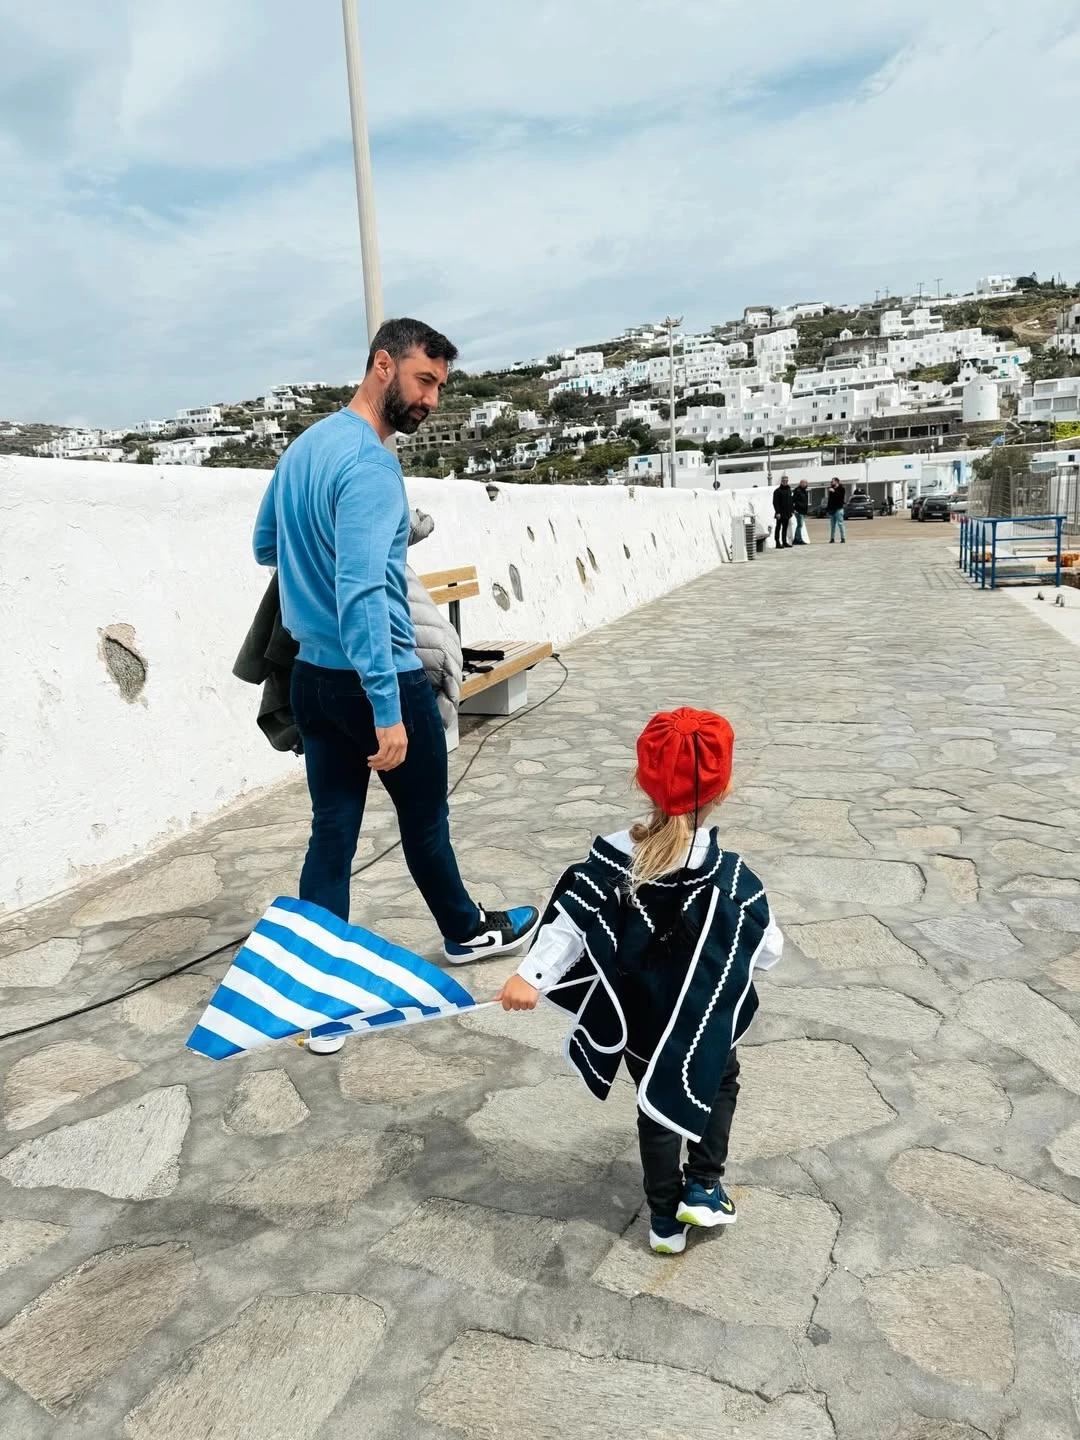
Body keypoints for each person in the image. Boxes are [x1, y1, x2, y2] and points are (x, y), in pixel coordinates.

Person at [253, 317, 540, 1054]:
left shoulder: (305, 448)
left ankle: (317, 996)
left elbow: (266, 546)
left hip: (312, 678)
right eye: (424, 380)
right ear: (383, 365)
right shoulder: (372, 466)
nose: (432, 400)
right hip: (377, 679)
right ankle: (466, 932)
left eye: (439, 386)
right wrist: (387, 706)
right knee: (423, 821)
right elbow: (359, 595)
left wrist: (350, 548)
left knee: (332, 830)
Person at [495, 709, 783, 1255]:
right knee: (719, 1082)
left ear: (642, 780)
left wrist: (528, 977)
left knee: (653, 1108)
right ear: (723, 790)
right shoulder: (733, 880)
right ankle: (704, 1184)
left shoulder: (610, 863)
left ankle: (663, 1222)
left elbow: (568, 925)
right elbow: (768, 950)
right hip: (704, 1024)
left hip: (639, 1022)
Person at [772, 475, 795, 549]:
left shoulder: (789, 490)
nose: (785, 482)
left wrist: (792, 511)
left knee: (785, 528)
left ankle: (784, 542)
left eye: (786, 481)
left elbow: (791, 501)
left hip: (787, 513)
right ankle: (777, 543)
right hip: (780, 513)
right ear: (781, 481)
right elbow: (775, 503)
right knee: (778, 528)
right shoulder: (777, 491)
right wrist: (777, 512)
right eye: (784, 481)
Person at [826, 477, 847, 543]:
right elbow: (829, 500)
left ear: (837, 482)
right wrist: (828, 509)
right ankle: (832, 538)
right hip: (832, 509)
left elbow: (840, 498)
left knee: (840, 524)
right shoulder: (831, 489)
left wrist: (834, 491)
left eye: (832, 481)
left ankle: (843, 538)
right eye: (831, 481)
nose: (831, 482)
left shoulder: (841, 489)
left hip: (839, 509)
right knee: (832, 525)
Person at [792, 477, 810, 545]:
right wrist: (794, 509)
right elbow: (793, 500)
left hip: (802, 510)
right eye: (805, 483)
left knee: (800, 525)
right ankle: (798, 539)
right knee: (800, 525)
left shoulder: (803, 490)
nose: (807, 484)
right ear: (801, 483)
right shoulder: (797, 491)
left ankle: (797, 538)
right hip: (798, 510)